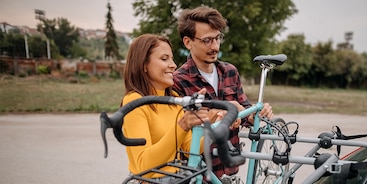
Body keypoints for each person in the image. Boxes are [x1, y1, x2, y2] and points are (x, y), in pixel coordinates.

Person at [173, 6, 274, 179]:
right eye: (207, 40)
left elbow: (245, 110)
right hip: (200, 173)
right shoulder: (178, 80)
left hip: (230, 169)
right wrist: (222, 113)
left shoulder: (230, 71)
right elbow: (180, 130)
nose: (215, 46)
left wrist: (253, 115)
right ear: (188, 42)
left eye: (218, 38)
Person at [121, 33, 214, 182]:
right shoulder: (134, 102)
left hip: (177, 177)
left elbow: (190, 149)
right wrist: (182, 125)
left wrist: (215, 126)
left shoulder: (174, 99)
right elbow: (143, 167)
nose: (173, 65)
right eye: (164, 59)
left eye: (172, 58)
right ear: (143, 64)